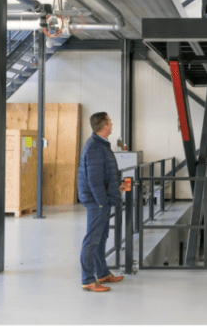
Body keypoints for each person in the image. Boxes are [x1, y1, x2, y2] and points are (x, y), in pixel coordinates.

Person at [78, 112, 126, 292]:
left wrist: (116, 187)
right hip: (97, 202)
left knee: (101, 238)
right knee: (92, 240)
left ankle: (102, 273)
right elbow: (94, 180)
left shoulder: (101, 145)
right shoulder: (95, 147)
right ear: (105, 126)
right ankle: (88, 280)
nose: (112, 124)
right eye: (110, 122)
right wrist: (100, 203)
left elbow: (104, 174)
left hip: (102, 199)